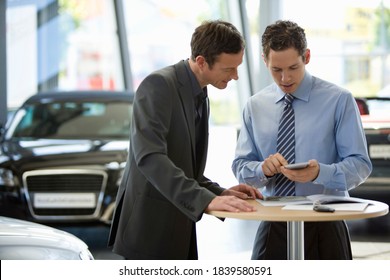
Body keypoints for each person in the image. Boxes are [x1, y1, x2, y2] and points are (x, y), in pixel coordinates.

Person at [108, 20, 262, 260]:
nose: (236, 76)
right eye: (228, 69)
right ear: (201, 62)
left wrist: (219, 193)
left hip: (179, 228)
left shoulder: (201, 93)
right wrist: (204, 200)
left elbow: (186, 168)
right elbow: (150, 157)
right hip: (149, 231)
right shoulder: (158, 85)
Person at [232, 20, 372, 260]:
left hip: (326, 222)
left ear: (306, 57)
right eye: (276, 70)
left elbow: (360, 165)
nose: (285, 78)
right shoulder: (255, 106)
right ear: (265, 61)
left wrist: (321, 173)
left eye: (293, 67)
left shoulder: (339, 100)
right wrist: (261, 170)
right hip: (273, 221)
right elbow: (241, 167)